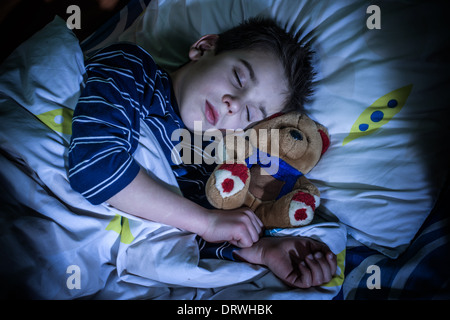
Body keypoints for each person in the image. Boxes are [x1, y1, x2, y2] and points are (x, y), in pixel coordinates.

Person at [68, 17, 336, 289]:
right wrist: (206, 221)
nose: (233, 105)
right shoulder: (134, 69)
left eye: (250, 113)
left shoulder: (212, 168)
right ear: (205, 47)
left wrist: (263, 250)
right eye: (238, 78)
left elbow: (183, 237)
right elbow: (94, 166)